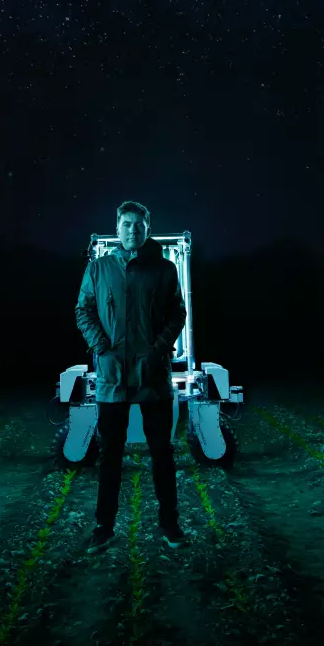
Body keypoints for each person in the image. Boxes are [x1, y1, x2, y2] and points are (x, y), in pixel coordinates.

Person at [74, 200, 189, 554]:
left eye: (138, 224)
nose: (132, 230)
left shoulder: (166, 269)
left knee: (162, 453)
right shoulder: (99, 268)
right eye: (126, 223)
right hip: (112, 379)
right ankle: (103, 529)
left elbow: (177, 314)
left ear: (148, 228)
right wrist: (101, 346)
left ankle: (170, 525)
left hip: (153, 378)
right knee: (110, 455)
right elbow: (83, 310)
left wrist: (157, 349)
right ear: (117, 227)